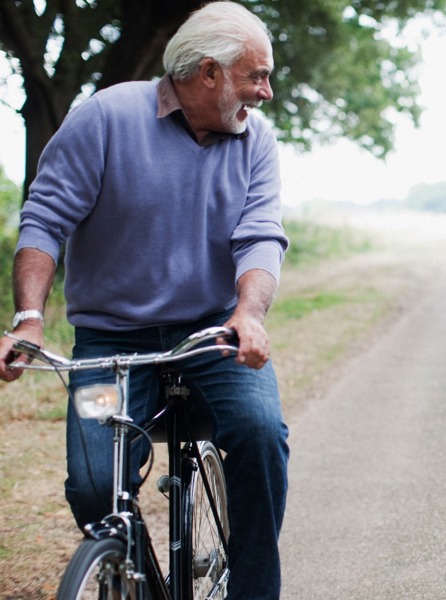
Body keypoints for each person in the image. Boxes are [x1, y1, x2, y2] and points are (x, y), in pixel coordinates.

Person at [0, 2, 289, 597]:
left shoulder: (256, 142)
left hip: (214, 335)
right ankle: (129, 569)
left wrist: (248, 314)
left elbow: (260, 237)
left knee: (260, 434)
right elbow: (44, 221)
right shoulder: (105, 118)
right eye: (255, 76)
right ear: (208, 72)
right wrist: (29, 320)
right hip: (110, 345)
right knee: (92, 485)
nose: (265, 93)